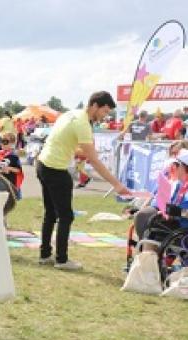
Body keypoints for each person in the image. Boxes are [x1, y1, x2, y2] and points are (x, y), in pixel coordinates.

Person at [37, 91, 130, 270]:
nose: (104, 116)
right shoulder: (82, 124)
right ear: (94, 106)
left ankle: (45, 254)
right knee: (66, 216)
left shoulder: (71, 114)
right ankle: (61, 260)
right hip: (55, 169)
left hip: (43, 164)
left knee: (51, 213)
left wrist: (78, 152)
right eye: (104, 111)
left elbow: (64, 141)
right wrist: (116, 184)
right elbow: (94, 161)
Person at [133, 149, 188, 248]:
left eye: (178, 165)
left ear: (184, 168)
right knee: (145, 219)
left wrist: (173, 212)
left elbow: (184, 212)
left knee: (151, 225)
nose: (175, 167)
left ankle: (147, 257)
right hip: (177, 225)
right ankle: (147, 257)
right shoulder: (181, 185)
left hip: (182, 229)